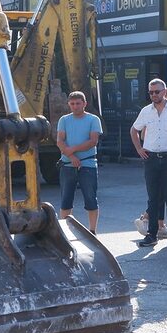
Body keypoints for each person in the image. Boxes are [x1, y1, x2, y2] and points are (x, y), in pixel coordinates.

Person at [131, 78, 167, 248]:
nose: (154, 95)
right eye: (151, 92)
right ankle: (152, 234)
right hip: (151, 158)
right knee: (153, 198)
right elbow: (134, 129)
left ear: (164, 91)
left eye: (157, 91)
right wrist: (139, 149)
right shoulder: (146, 111)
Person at [56, 91, 102, 233]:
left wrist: (73, 149)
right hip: (68, 164)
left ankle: (92, 230)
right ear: (69, 104)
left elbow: (93, 141)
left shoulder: (93, 119)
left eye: (78, 103)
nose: (75, 106)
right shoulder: (64, 119)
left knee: (90, 198)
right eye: (72, 104)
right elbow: (60, 140)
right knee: (66, 200)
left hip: (87, 164)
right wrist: (72, 157)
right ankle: (66, 232)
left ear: (84, 104)